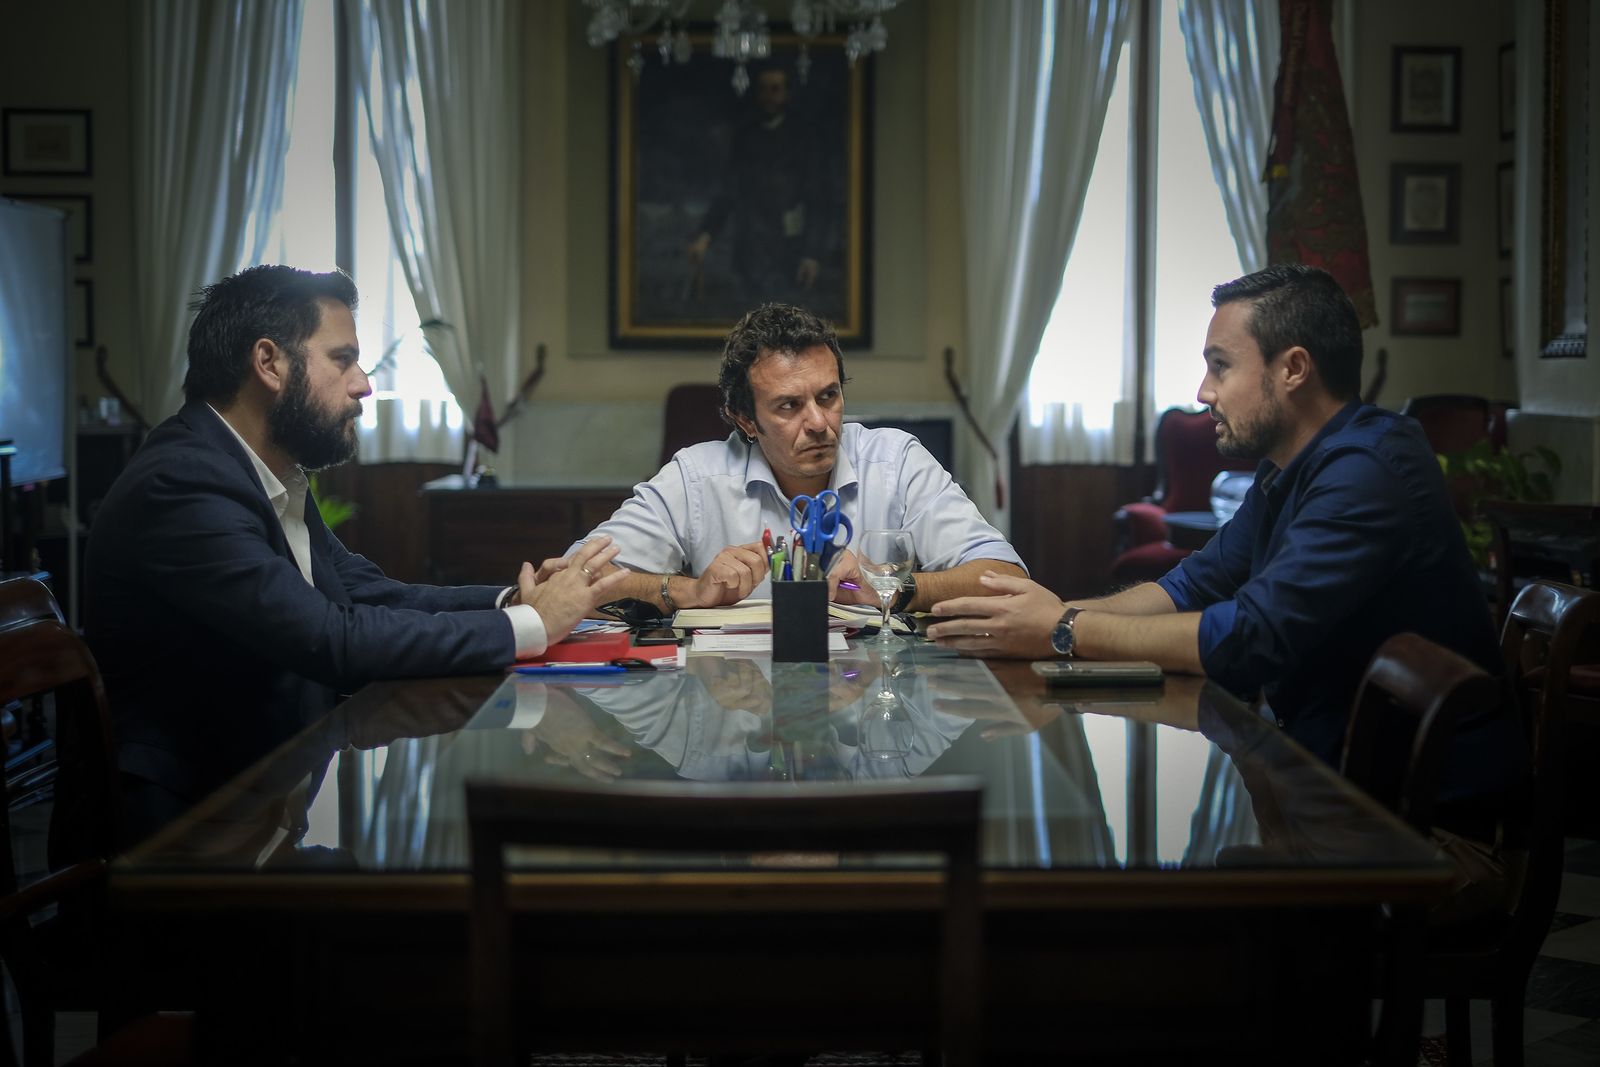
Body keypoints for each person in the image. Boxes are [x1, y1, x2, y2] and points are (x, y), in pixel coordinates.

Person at [926, 265, 1526, 830]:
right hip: (1328, 785)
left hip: (1420, 828)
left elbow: (1251, 638)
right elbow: (1190, 585)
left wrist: (1061, 629)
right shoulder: (1289, 469)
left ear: (1293, 369)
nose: (1203, 391)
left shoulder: (1368, 470)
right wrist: (1034, 618)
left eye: (1220, 367)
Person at [82, 265, 627, 845]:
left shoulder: (256, 468)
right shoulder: (184, 481)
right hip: (187, 833)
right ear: (269, 364)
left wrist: (512, 600)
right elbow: (329, 639)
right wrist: (534, 624)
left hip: (264, 790)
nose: (363, 383)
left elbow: (366, 591)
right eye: (342, 359)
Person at [565, 302, 1026, 614]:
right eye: (789, 406)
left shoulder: (897, 461)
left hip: (872, 710)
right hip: (740, 713)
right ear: (744, 419)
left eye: (829, 396)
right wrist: (687, 590)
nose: (820, 423)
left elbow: (1003, 575)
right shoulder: (694, 477)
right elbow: (575, 576)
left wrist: (893, 586)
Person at [685, 65, 830, 309]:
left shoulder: (804, 138)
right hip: (750, 246)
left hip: (789, 247)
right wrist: (705, 236)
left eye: (775, 90)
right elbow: (728, 191)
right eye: (763, 90)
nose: (769, 96)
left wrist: (812, 254)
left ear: (786, 94)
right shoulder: (746, 137)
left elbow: (818, 198)